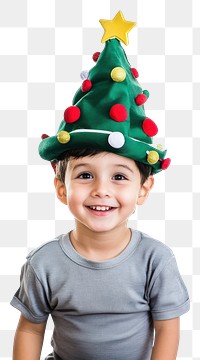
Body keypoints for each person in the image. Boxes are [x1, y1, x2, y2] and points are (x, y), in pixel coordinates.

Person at [11, 11, 190, 360]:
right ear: (61, 188)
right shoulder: (44, 263)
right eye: (84, 175)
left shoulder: (155, 260)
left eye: (119, 176)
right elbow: (30, 328)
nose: (101, 190)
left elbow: (168, 328)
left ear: (143, 189)